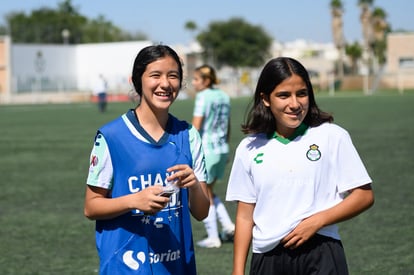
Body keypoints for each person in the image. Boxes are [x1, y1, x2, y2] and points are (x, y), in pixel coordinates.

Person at [226, 57, 374, 275]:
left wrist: (317, 221)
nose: (294, 104)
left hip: (321, 251)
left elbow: (364, 195)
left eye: (302, 94)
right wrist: (237, 271)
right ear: (265, 98)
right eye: (284, 95)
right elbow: (245, 215)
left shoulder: (332, 136)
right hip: (268, 257)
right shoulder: (249, 148)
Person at [84, 45, 210, 274]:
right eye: (155, 75)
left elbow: (202, 212)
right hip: (125, 267)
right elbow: (91, 206)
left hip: (176, 265)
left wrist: (193, 186)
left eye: (173, 76)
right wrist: (134, 201)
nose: (165, 84)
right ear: (136, 81)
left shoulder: (189, 135)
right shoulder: (111, 137)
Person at [191, 64, 235, 248]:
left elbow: (196, 127)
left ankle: (213, 237)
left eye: (196, 79)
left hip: (207, 149)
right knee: (209, 191)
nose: (193, 83)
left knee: (203, 193)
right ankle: (228, 226)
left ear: (206, 81)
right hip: (221, 147)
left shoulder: (203, 97)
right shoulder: (224, 96)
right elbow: (229, 125)